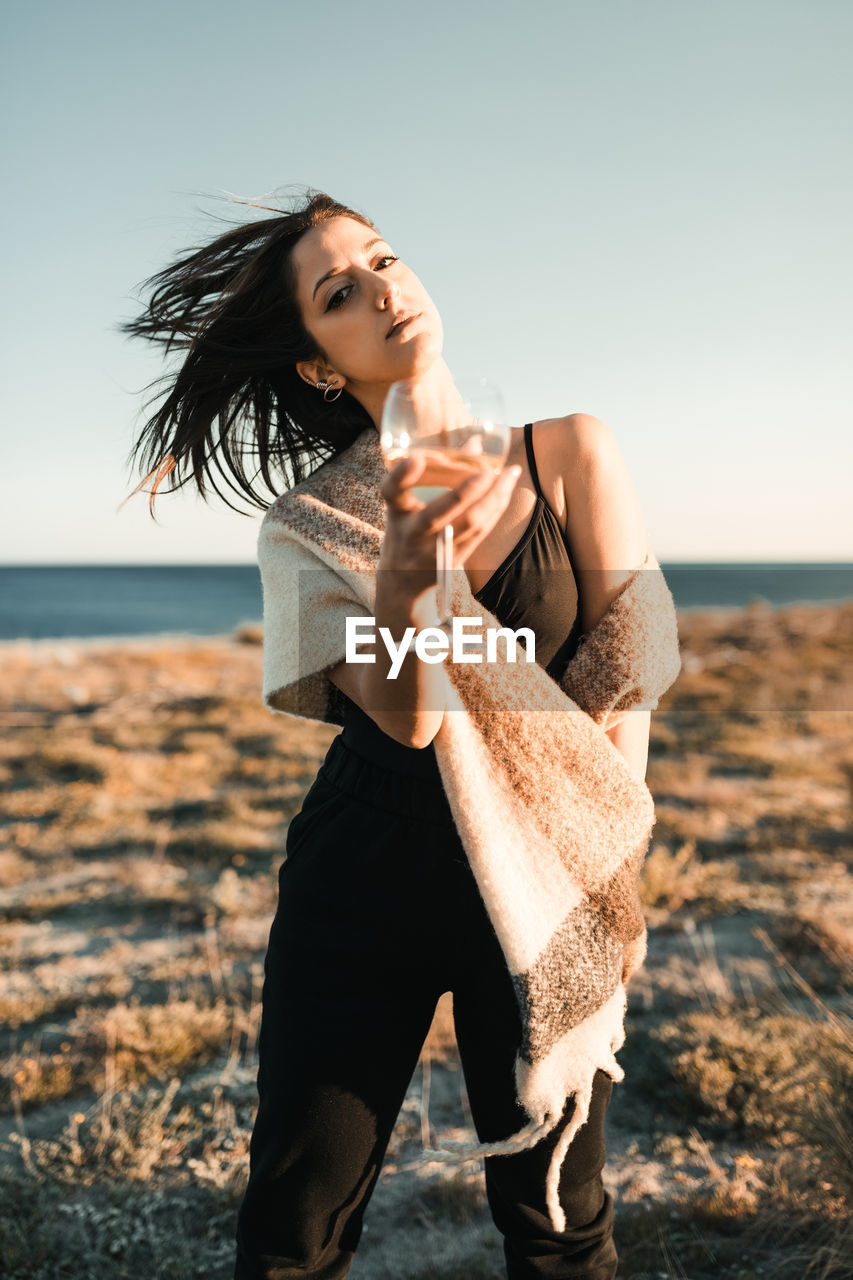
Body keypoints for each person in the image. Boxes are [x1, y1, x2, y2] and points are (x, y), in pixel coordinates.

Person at [124, 190, 658, 1280]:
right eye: (338, 292)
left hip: (545, 872)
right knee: (296, 1227)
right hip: (361, 873)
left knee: (560, 1221)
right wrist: (410, 549)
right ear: (320, 363)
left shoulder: (569, 452)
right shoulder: (313, 526)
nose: (380, 288)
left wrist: (612, 884)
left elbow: (623, 688)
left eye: (382, 258)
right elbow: (411, 718)